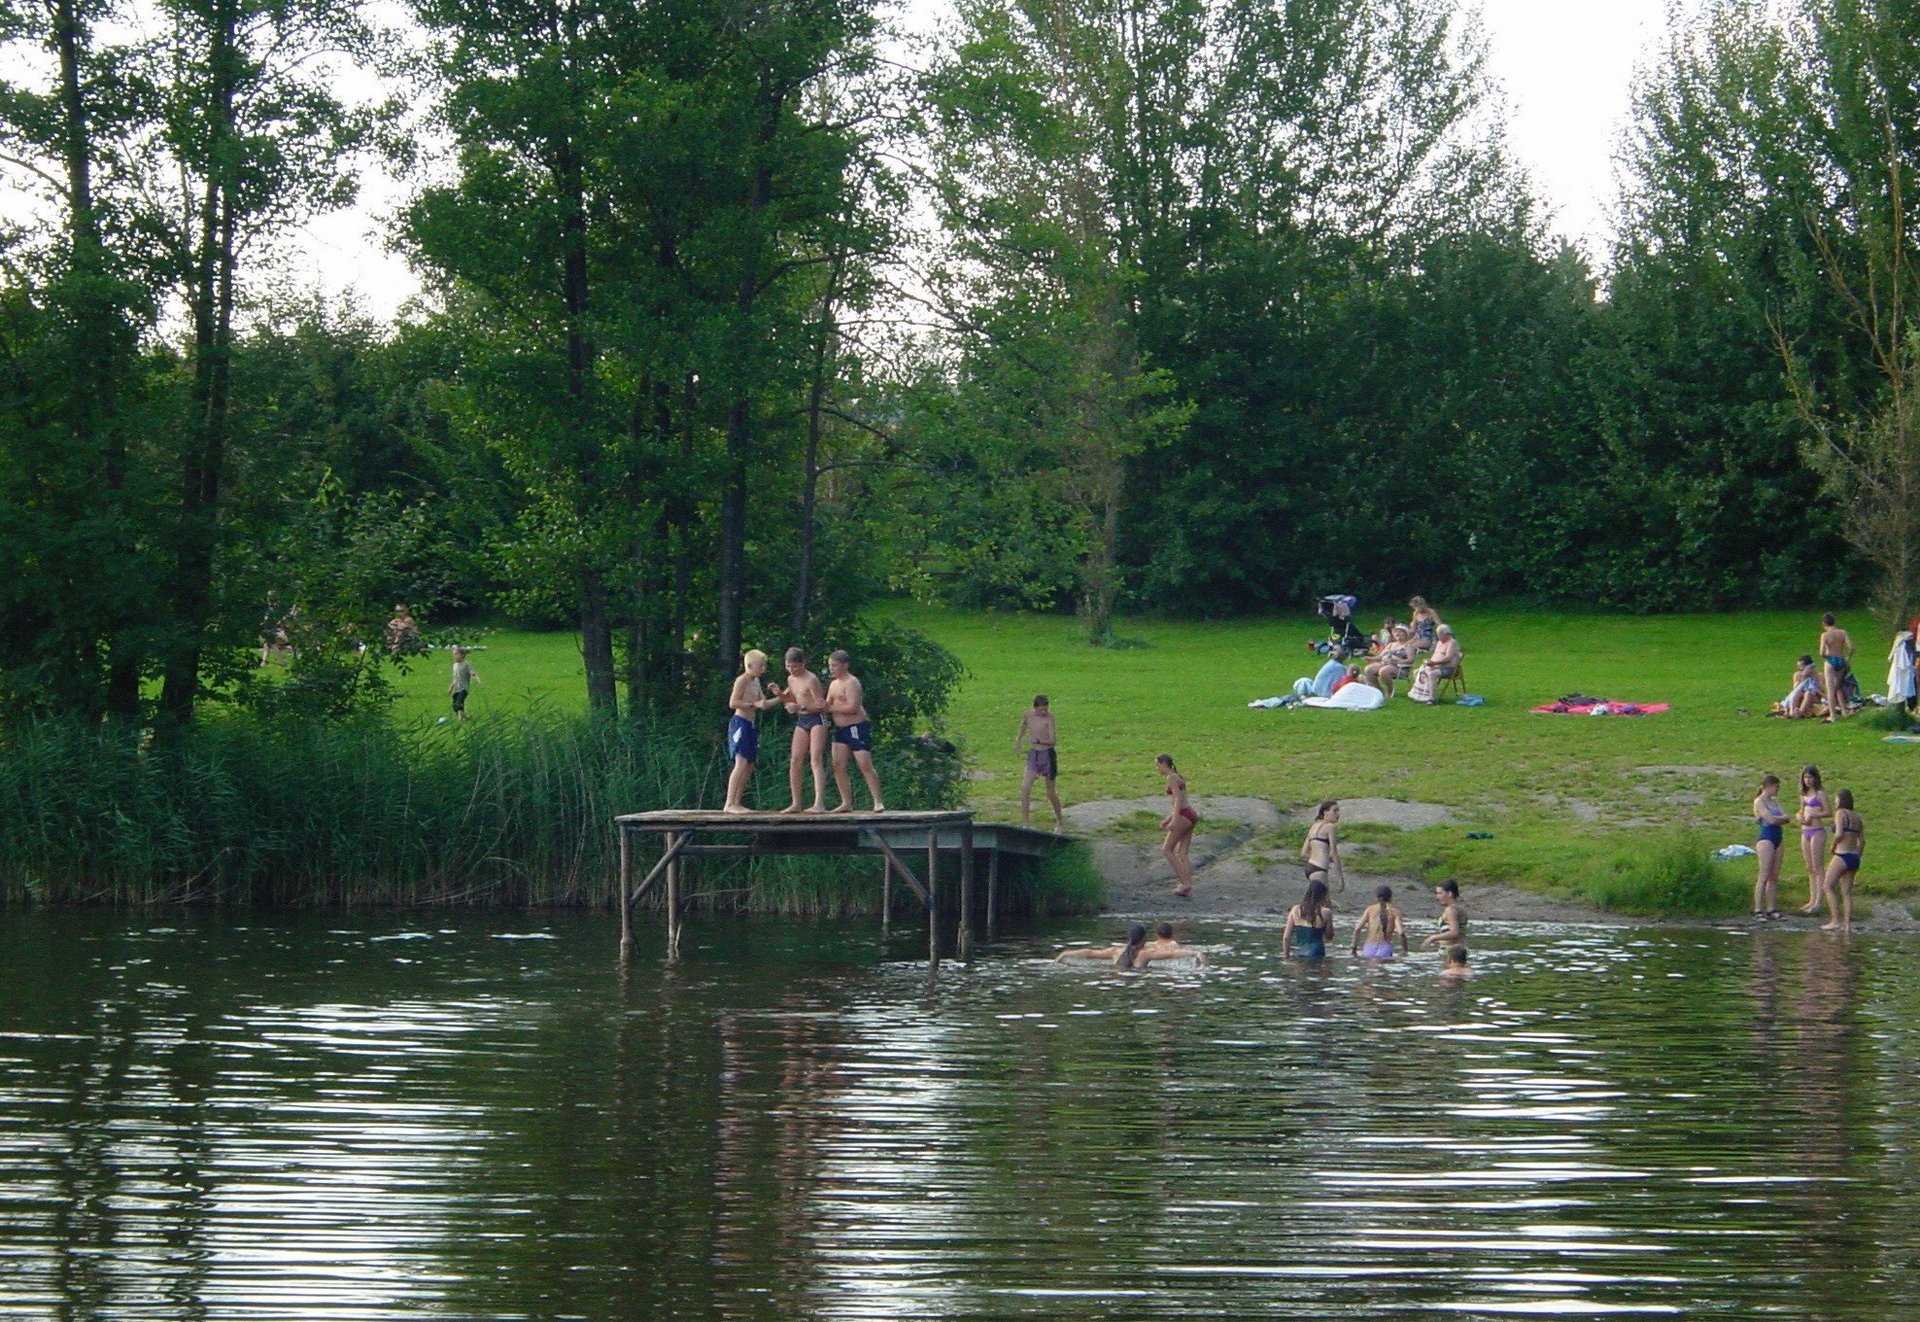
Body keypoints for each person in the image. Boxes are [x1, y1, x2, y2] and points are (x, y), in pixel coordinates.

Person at [722, 649, 787, 814]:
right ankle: (729, 803)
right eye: (761, 665)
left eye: (764, 665)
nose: (763, 668)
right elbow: (733, 703)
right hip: (740, 723)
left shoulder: (756, 681)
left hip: (751, 725)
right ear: (750, 665)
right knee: (741, 762)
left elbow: (763, 704)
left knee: (749, 764)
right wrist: (752, 705)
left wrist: (782, 696)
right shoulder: (742, 680)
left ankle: (737, 801)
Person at [824, 650, 886, 813]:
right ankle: (846, 802)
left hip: (855, 727)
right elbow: (826, 704)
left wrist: (829, 708)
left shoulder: (852, 683)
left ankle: (878, 801)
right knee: (838, 764)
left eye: (835, 665)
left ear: (845, 665)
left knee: (864, 763)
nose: (832, 669)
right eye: (830, 666)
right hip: (840, 729)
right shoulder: (833, 684)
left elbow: (852, 707)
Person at [778, 647, 829, 814]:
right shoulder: (790, 679)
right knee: (795, 760)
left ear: (803, 663)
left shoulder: (811, 679)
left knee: (815, 759)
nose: (792, 670)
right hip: (802, 719)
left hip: (816, 719)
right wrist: (778, 694)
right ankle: (796, 802)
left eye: (795, 666)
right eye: (789, 666)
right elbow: (791, 697)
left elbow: (820, 705)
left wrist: (799, 706)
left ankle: (819, 803)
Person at [1016, 695, 1064, 832]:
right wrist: (1018, 740)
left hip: (1047, 755)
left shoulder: (1049, 718)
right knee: (1025, 788)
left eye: (1046, 709)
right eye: (1042, 710)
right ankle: (1025, 823)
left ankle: (1060, 821)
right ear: (1035, 708)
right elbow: (1023, 724)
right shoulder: (1028, 715)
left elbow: (1053, 740)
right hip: (1034, 755)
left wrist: (1038, 741)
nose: (1044, 712)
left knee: (1050, 792)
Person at [1821, 790, 1863, 933]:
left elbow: (1839, 834)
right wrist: (1858, 855)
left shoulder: (1841, 813)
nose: (1835, 802)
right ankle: (1847, 925)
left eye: (1836, 799)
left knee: (1827, 886)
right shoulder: (1857, 816)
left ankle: (1835, 920)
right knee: (1846, 892)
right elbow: (1862, 841)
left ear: (1841, 800)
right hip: (1854, 856)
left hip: (1842, 854)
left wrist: (1833, 847)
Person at [1158, 753, 1197, 898]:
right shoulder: (1177, 776)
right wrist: (1168, 819)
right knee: (1182, 852)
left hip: (1183, 815)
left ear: (1163, 764)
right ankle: (1187, 884)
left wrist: (1173, 820)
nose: (1157, 769)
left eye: (1158, 765)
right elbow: (1180, 800)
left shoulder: (1171, 778)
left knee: (1167, 850)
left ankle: (1184, 883)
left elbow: (1178, 800)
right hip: (1190, 813)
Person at [1751, 775, 1788, 918]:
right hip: (1766, 838)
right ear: (1768, 786)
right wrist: (1781, 819)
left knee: (1774, 875)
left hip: (1778, 837)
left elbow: (1787, 817)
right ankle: (1758, 909)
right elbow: (1770, 819)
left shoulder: (1774, 801)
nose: (1777, 790)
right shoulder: (1759, 801)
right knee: (1764, 874)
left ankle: (1771, 908)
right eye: (1776, 787)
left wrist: (1780, 819)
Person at [1795, 765, 1830, 914]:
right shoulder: (1803, 794)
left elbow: (1828, 811)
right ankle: (1811, 898)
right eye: (1805, 777)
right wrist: (1799, 817)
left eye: (1810, 777)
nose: (1808, 780)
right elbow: (1801, 811)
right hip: (1805, 831)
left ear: (1815, 778)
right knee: (1810, 867)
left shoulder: (1820, 794)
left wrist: (1815, 815)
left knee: (1818, 866)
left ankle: (1818, 901)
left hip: (1817, 831)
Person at [1055, 923, 1150, 968]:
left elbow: (1089, 953)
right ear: (1143, 939)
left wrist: (1065, 954)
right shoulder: (1146, 954)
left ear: (1128, 938)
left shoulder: (1115, 952)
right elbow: (1165, 953)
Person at [1407, 626, 1461, 704]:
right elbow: (1436, 655)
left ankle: (1431, 698)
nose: (1437, 637)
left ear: (1445, 634)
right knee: (1417, 671)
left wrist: (1434, 663)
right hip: (1436, 666)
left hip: (1448, 669)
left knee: (1432, 674)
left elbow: (1448, 658)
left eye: (1439, 635)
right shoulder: (1439, 642)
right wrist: (1429, 662)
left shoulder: (1452, 643)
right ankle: (1420, 694)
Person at [1281, 880, 1335, 958]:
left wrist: (1286, 955)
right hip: (1317, 952)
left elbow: (1286, 937)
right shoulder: (1326, 912)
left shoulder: (1295, 910)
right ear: (1323, 896)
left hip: (1299, 952)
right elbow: (1329, 936)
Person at [1300, 800, 1345, 892]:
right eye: (1335, 811)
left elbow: (1304, 853)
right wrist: (1340, 877)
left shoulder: (1314, 827)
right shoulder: (1329, 827)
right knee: (1324, 902)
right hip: (1320, 869)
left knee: (1317, 899)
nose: (1338, 814)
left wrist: (1318, 857)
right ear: (1325, 812)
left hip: (1310, 867)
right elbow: (1334, 852)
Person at [1352, 885, 1408, 959]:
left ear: (1376, 898)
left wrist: (1353, 947)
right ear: (1391, 898)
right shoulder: (1396, 912)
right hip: (1385, 949)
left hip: (1369, 948)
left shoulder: (1370, 910)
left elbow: (1357, 929)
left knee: (1370, 969)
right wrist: (1404, 950)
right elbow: (1401, 933)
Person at [1817, 613, 1853, 722]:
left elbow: (1821, 652)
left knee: (1830, 689)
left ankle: (1833, 715)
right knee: (1839, 686)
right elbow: (1851, 647)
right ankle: (1844, 711)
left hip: (1831, 661)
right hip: (1841, 659)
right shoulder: (1842, 632)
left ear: (1824, 624)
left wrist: (1828, 654)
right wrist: (1848, 658)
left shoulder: (1825, 635)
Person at [1361, 626, 1414, 698]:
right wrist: (1370, 658)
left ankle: (1390, 690)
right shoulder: (1391, 644)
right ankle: (1378, 691)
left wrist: (1399, 661)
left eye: (1400, 632)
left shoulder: (1408, 645)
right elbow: (1380, 657)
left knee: (1383, 671)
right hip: (1385, 663)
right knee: (1369, 669)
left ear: (1405, 634)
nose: (1397, 633)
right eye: (1396, 632)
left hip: (1400, 668)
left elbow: (1410, 660)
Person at [1421, 880, 1467, 949]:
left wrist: (1432, 938)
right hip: (1459, 950)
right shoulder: (1460, 908)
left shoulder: (1450, 910)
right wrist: (1439, 940)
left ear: (1449, 893)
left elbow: (1454, 932)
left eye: (1440, 893)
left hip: (1451, 951)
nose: (1437, 897)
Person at [448, 645, 480, 722]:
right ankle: (465, 718)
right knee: (455, 707)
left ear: (462, 655)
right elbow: (455, 678)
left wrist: (478, 680)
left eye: (456, 654)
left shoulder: (466, 664)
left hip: (463, 689)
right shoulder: (454, 665)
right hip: (456, 689)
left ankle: (460, 720)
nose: (454, 656)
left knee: (459, 704)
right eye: (453, 654)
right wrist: (450, 688)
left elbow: (473, 673)